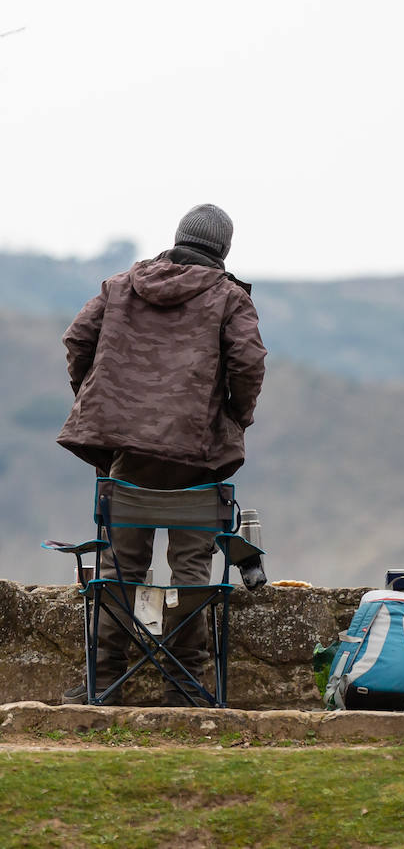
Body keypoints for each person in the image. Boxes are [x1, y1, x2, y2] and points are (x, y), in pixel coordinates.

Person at [57, 203, 267, 705]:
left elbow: (77, 340)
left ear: (178, 238)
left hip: (126, 458)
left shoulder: (122, 285)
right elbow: (248, 365)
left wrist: (101, 402)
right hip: (199, 459)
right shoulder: (229, 298)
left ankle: (104, 680)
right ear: (223, 250)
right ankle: (186, 682)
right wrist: (235, 417)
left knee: (118, 569)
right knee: (192, 570)